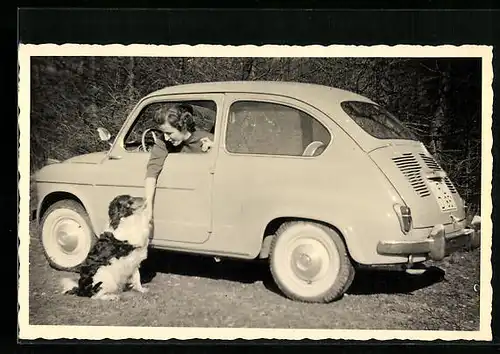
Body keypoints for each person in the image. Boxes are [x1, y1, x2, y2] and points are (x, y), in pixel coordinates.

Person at [143, 103, 214, 227]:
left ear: (183, 126)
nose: (166, 137)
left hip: (202, 202)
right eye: (163, 133)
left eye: (170, 133)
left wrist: (214, 149)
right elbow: (152, 171)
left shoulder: (208, 139)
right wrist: (148, 205)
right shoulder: (163, 142)